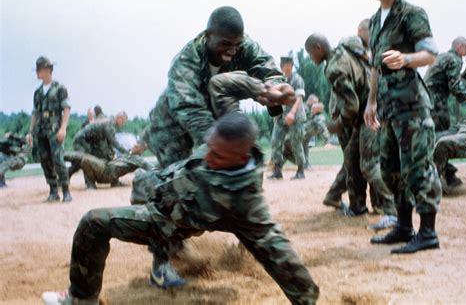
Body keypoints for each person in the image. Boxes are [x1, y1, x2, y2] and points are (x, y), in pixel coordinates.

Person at [41, 113, 319, 305]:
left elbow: (276, 249)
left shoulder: (244, 203)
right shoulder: (220, 145)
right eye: (209, 148)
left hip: (163, 221)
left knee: (93, 222)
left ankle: (80, 300)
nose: (208, 156)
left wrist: (307, 297)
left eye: (218, 155)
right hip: (155, 190)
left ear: (241, 158)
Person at [143, 6, 287, 168]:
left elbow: (267, 67)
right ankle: (146, 183)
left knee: (241, 165)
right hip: (170, 124)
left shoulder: (241, 44)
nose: (232, 51)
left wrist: (276, 88)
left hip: (215, 113)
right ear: (208, 36)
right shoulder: (186, 61)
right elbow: (190, 110)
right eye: (225, 44)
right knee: (180, 180)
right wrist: (226, 143)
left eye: (236, 45)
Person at [364, 0, 442, 253]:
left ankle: (428, 232)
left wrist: (406, 59)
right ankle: (404, 226)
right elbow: (375, 66)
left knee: (417, 168)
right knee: (390, 168)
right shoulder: (374, 22)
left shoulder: (411, 14)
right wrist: (371, 101)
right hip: (387, 108)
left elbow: (430, 54)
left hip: (411, 107)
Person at [305, 33, 396, 218]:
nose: (310, 58)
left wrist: (337, 124)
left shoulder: (334, 67)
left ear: (318, 48)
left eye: (310, 53)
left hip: (371, 113)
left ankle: (393, 209)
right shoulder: (344, 51)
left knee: (369, 165)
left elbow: (351, 104)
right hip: (370, 109)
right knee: (351, 156)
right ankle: (357, 207)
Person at [424, 37, 466, 189]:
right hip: (436, 104)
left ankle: (447, 173)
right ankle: (442, 176)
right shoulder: (454, 59)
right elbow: (457, 86)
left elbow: (457, 80)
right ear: (460, 47)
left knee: (437, 137)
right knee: (441, 138)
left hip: (428, 101)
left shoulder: (445, 57)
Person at [26, 56, 72, 202]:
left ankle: (66, 191)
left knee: (58, 160)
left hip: (55, 129)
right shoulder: (38, 92)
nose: (37, 73)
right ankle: (53, 191)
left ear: (47, 70)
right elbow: (35, 113)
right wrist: (30, 132)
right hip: (41, 130)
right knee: (45, 160)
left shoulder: (59, 88)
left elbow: (66, 109)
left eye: (39, 69)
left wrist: (63, 129)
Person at [268, 56, 307, 180]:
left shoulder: (297, 79)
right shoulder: (279, 80)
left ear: (290, 65)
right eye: (281, 64)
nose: (282, 66)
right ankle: (277, 170)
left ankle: (301, 171)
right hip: (281, 116)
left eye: (285, 64)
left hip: (295, 115)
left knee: (296, 143)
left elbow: (299, 98)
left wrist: (292, 113)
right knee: (275, 141)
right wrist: (276, 113)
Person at [69, 112, 129, 189]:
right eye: (123, 121)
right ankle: (89, 183)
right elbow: (114, 142)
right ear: (119, 118)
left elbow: (107, 142)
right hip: (82, 141)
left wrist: (111, 152)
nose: (123, 124)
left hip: (89, 142)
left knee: (105, 156)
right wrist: (126, 152)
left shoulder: (109, 121)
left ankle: (114, 181)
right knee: (85, 160)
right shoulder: (109, 124)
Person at [434, 114, 466, 194]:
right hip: (465, 128)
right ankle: (448, 177)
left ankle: (435, 184)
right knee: (433, 139)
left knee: (443, 144)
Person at [64, 151, 153, 186]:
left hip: (106, 173)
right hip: (106, 166)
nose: (133, 146)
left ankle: (90, 185)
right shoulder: (129, 155)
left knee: (85, 159)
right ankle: (59, 156)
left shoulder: (138, 159)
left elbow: (150, 168)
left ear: (142, 149)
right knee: (80, 156)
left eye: (137, 146)